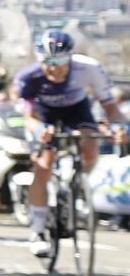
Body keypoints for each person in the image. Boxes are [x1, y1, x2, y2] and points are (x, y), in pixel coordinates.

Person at [14, 29, 126, 258]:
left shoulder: (89, 68)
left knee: (90, 144)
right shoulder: (29, 77)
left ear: (70, 57)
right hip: (43, 114)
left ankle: (76, 186)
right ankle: (38, 231)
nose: (53, 68)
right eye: (47, 61)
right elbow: (29, 116)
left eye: (60, 60)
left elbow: (111, 108)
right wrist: (39, 131)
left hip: (77, 109)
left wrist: (119, 128)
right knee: (43, 166)